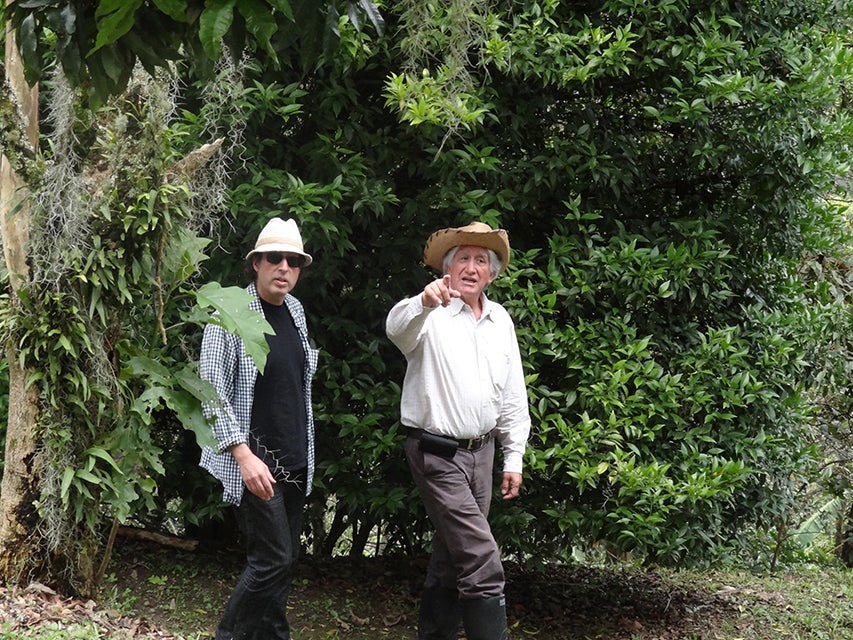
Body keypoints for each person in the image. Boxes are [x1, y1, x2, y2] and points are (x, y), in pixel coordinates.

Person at [385, 221, 531, 640]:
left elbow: (512, 393)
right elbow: (396, 328)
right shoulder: (429, 313)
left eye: (480, 260)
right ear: (447, 270)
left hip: (482, 455)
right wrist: (422, 302)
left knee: (453, 554)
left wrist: (513, 455)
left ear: (492, 272)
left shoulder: (500, 319)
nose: (471, 267)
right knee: (482, 559)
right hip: (437, 453)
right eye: (463, 258)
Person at [199, 217, 319, 640]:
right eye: (274, 258)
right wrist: (242, 454)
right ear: (256, 263)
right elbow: (210, 389)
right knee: (272, 560)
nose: (284, 267)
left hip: (293, 458)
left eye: (293, 260)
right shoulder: (228, 314)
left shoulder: (297, 313)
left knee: (282, 562)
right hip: (254, 462)